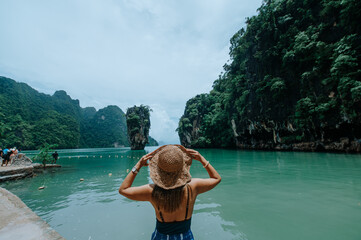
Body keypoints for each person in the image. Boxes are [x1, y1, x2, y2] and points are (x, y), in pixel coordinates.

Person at [118, 145, 221, 240]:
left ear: (158, 168)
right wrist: (202, 159)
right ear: (182, 167)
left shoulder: (152, 191)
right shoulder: (192, 187)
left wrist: (138, 166)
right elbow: (216, 178)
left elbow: (123, 190)